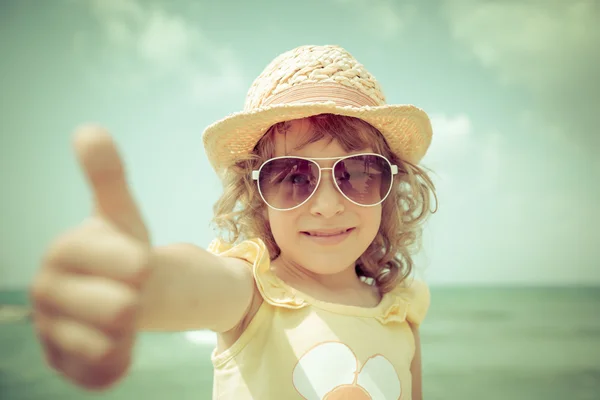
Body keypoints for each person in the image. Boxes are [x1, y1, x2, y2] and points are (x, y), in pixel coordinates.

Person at [30, 44, 437, 399]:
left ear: (391, 185)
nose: (327, 205)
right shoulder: (253, 293)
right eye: (294, 177)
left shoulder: (402, 313)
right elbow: (193, 284)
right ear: (257, 197)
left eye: (359, 172)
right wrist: (138, 282)